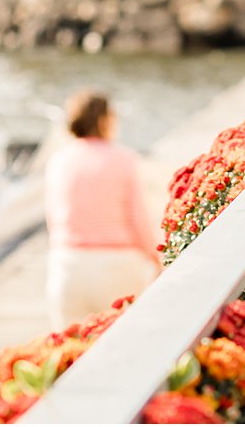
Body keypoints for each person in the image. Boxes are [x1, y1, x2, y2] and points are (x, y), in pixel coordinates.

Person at [44, 91, 161, 326]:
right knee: (122, 341)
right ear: (104, 120)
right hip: (116, 264)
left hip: (68, 265)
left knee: (72, 350)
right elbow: (137, 218)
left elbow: (53, 220)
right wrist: (155, 258)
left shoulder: (58, 160)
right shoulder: (122, 159)